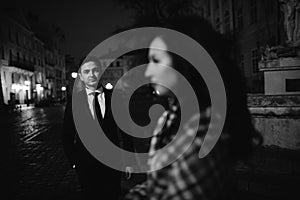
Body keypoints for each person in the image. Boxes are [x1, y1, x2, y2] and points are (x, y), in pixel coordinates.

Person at [124, 16, 261, 200]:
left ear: (184, 62)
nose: (148, 72)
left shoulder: (204, 139)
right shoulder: (173, 118)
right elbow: (156, 185)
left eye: (156, 60)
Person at [62, 56, 135, 199]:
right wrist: (74, 162)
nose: (91, 74)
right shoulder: (74, 102)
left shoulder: (116, 98)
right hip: (85, 164)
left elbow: (126, 131)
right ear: (81, 76)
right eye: (87, 71)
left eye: (95, 70)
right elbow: (67, 134)